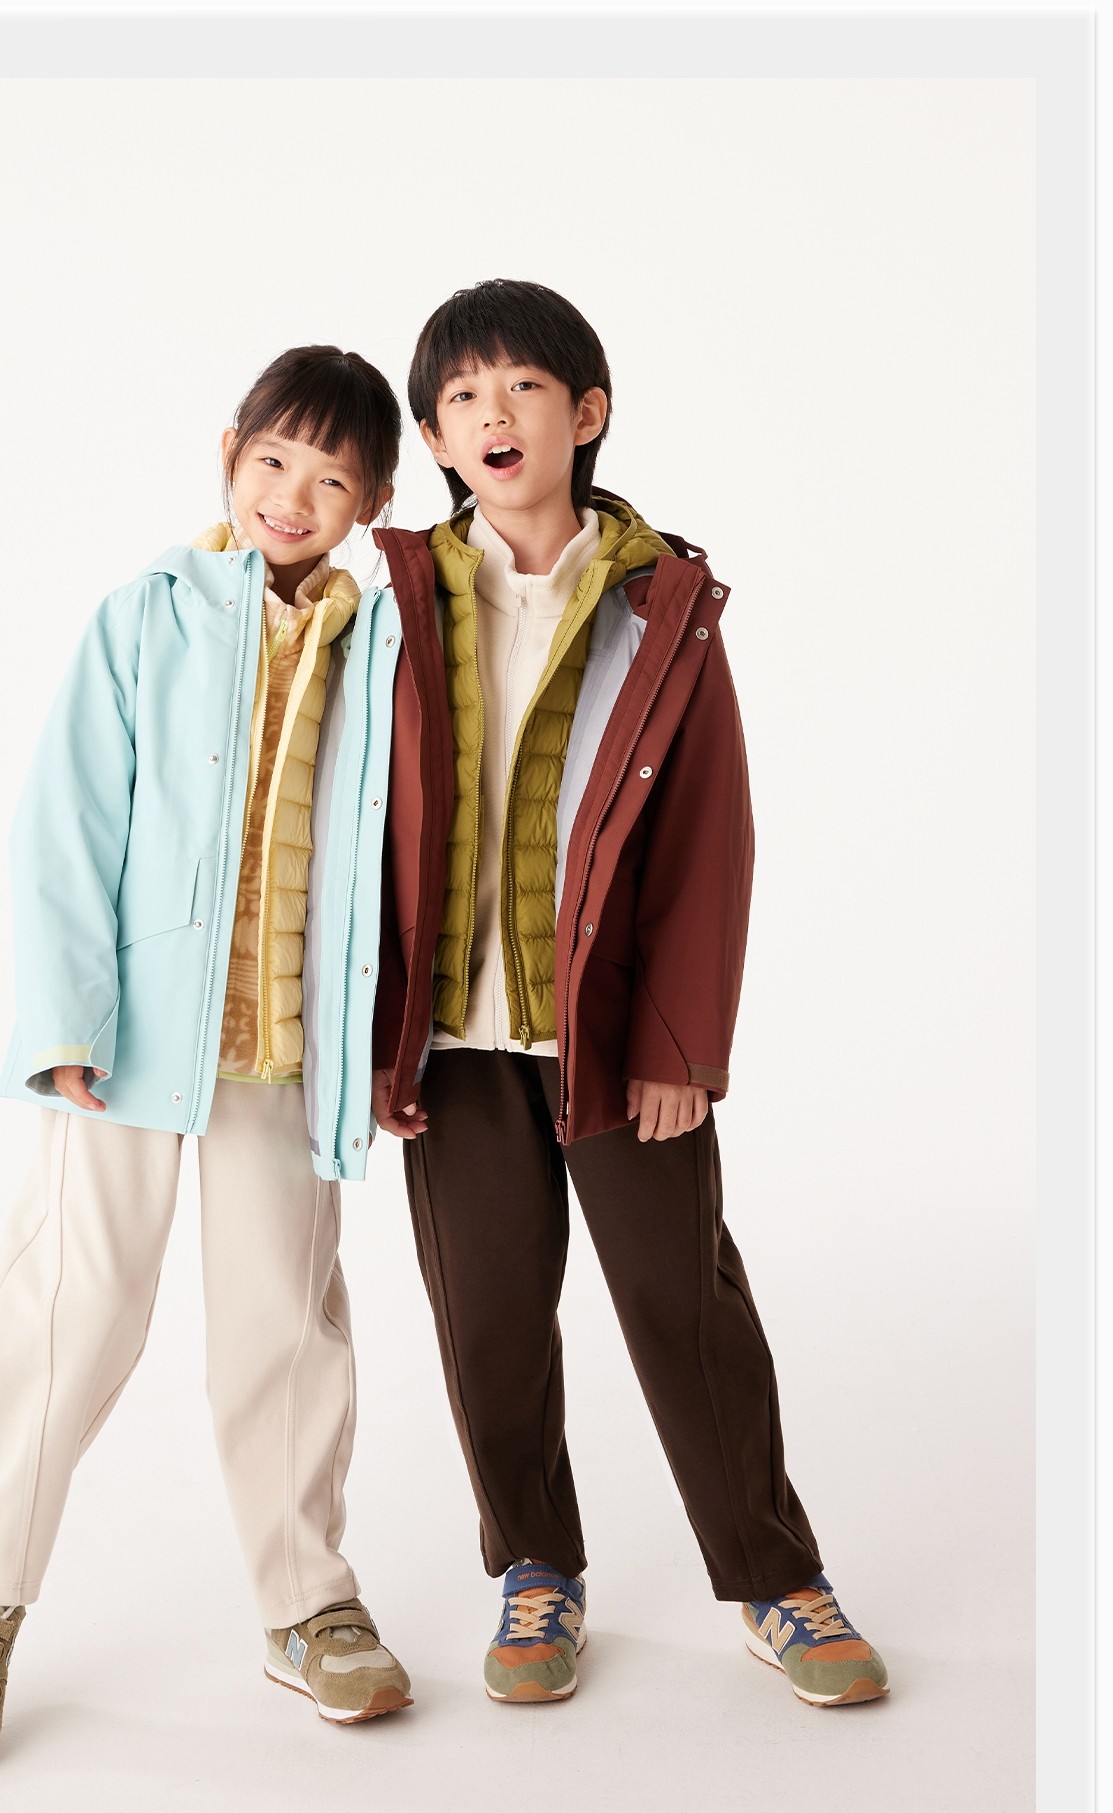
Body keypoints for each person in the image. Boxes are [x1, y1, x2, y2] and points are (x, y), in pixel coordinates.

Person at [370, 280, 889, 1709]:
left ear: (586, 413)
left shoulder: (662, 606)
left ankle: (777, 1578)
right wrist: (373, 1038)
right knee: (487, 1320)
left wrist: (681, 1044)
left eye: (523, 387)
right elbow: (361, 826)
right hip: (454, 1041)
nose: (493, 414)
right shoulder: (396, 599)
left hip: (610, 1037)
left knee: (681, 1301)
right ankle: (536, 1569)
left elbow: (710, 841)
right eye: (461, 397)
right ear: (434, 439)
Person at [0, 346, 413, 1771]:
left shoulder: (381, 645)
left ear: (373, 503)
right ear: (230, 453)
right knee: (73, 1313)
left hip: (287, 1047)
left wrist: (385, 1044)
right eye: (274, 462)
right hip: (126, 1042)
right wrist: (66, 1019)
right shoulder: (148, 613)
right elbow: (67, 819)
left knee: (283, 1328)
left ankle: (306, 1604)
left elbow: (394, 856)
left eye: (331, 480)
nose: (293, 497)